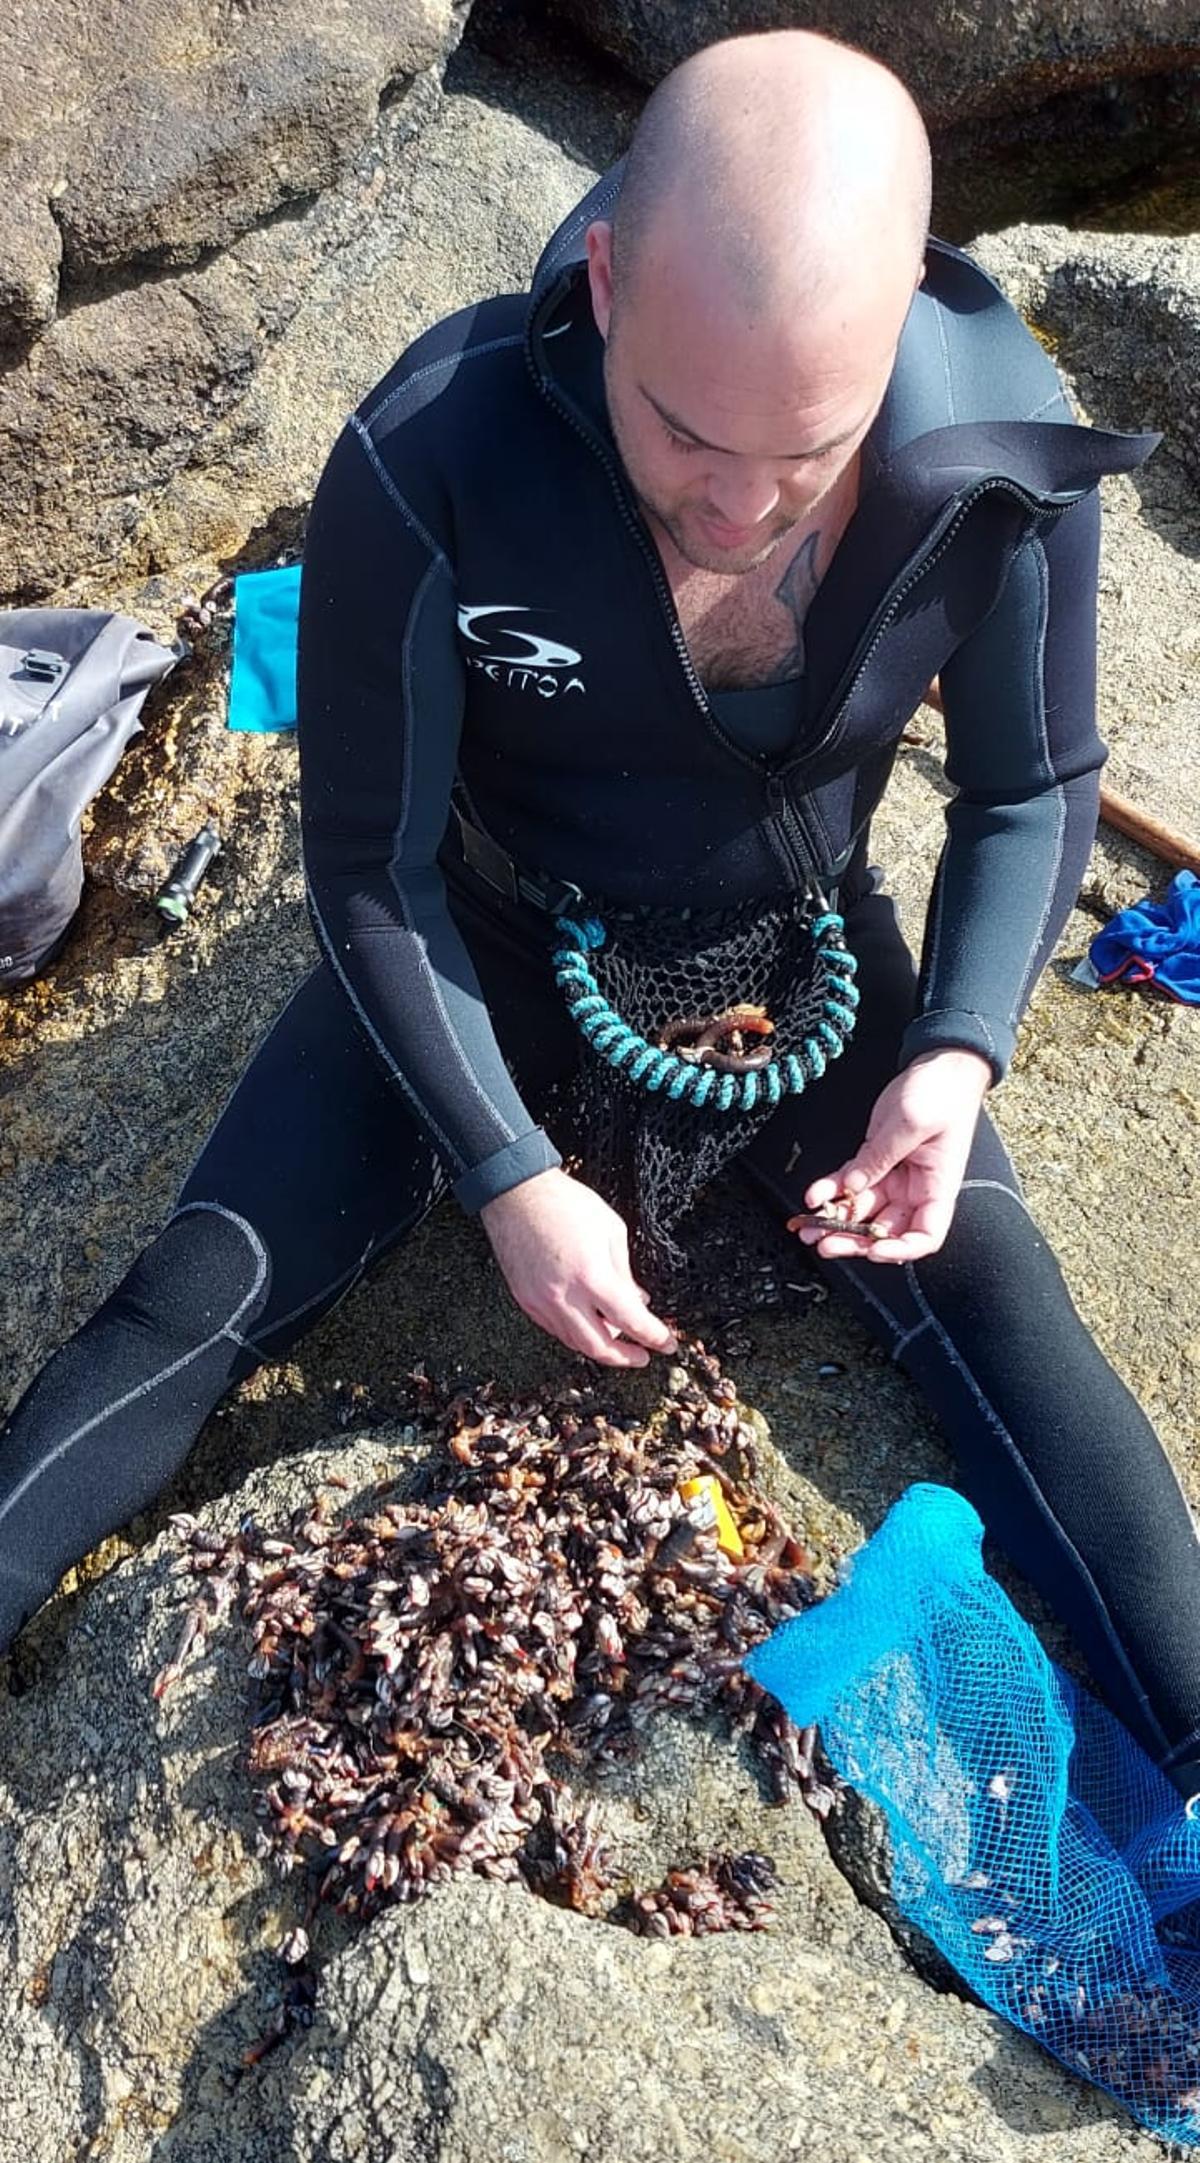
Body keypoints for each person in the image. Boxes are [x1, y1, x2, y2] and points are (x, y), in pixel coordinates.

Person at [0, 31, 1197, 1796]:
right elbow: (366, 864)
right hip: (485, 931)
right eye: (681, 432)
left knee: (1016, 1319)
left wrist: (955, 1054)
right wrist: (506, 1173)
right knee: (197, 1291)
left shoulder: (994, 441)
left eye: (806, 451)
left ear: (894, 348)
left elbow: (1032, 789)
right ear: (610, 282)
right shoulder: (441, 448)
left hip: (794, 958)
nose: (734, 507)